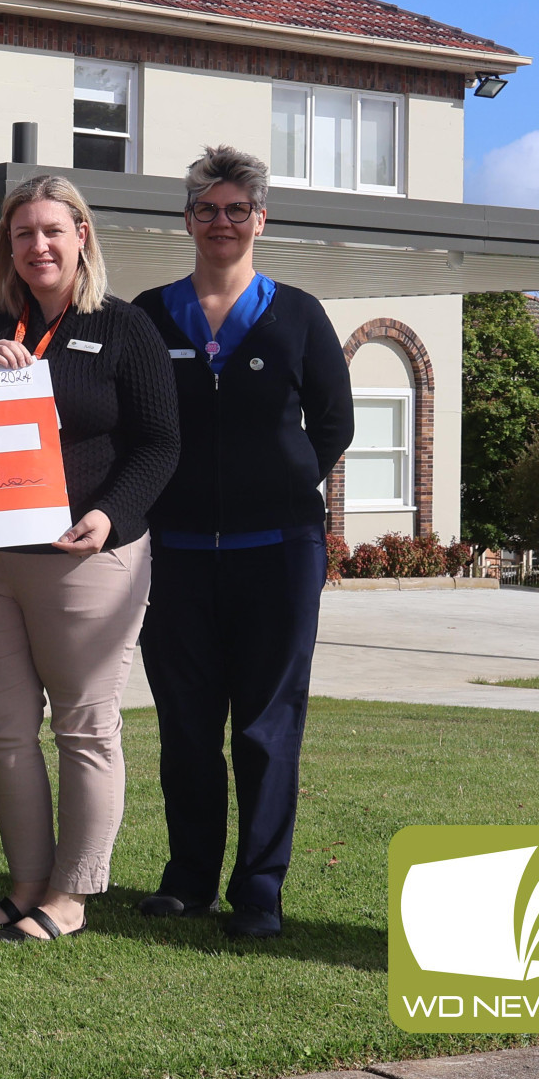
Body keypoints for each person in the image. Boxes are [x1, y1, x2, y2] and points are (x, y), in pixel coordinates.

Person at [0, 174, 179, 943]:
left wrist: (110, 514)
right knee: (1, 728)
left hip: (88, 558)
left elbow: (160, 442)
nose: (37, 245)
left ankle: (72, 894)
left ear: (81, 234)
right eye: (22, 233)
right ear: (5, 246)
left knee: (84, 725)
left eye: (51, 230)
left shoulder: (123, 326)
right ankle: (24, 884)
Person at [131, 146, 354, 939]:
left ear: (260, 218)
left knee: (265, 726)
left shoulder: (298, 314)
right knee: (186, 725)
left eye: (235, 209)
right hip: (176, 556)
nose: (219, 222)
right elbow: (129, 424)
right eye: (205, 209)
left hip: (279, 553)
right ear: (186, 220)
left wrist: (281, 482)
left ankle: (259, 889)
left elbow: (335, 424)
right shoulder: (149, 317)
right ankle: (188, 878)